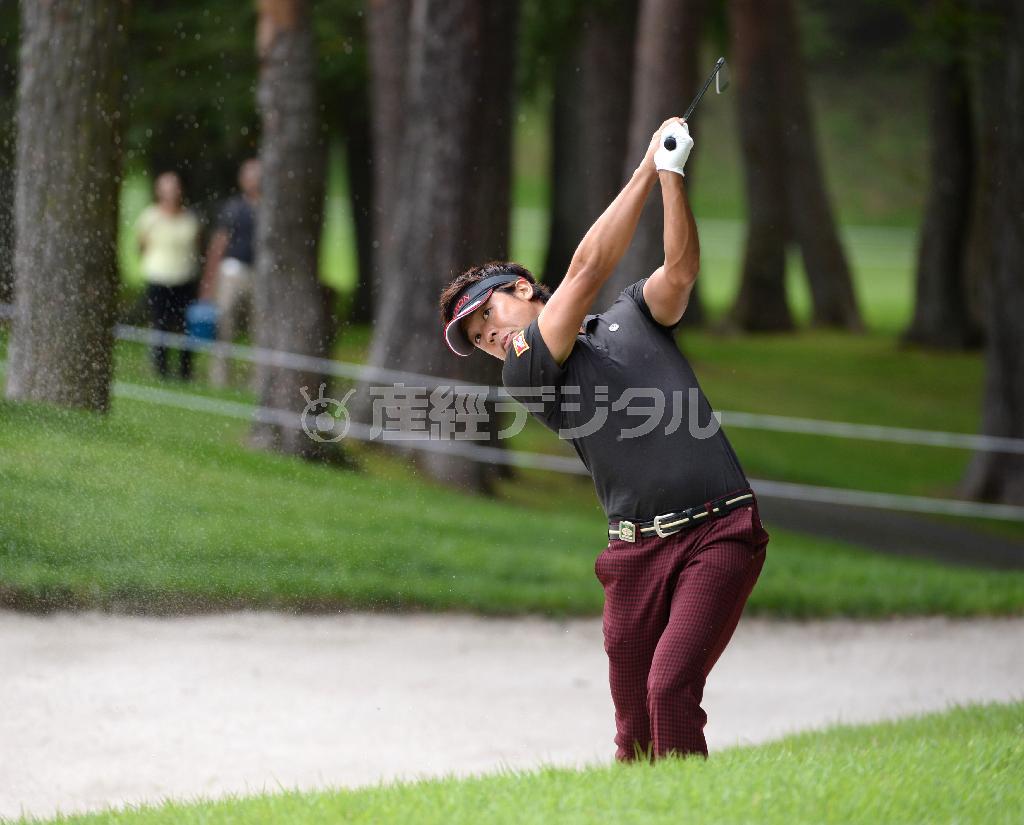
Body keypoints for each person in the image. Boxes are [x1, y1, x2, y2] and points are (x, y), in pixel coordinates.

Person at [437, 117, 769, 763]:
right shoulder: (526, 367)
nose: (487, 338)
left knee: (670, 685)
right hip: (633, 556)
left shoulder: (634, 314)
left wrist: (672, 175)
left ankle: (686, 810)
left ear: (523, 289)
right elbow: (586, 268)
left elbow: (680, 268)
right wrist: (647, 164)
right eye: (476, 338)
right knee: (633, 728)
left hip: (719, 531)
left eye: (487, 317)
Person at [199, 158, 260, 389]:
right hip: (233, 273)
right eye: (251, 175)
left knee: (260, 331)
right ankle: (220, 379)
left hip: (261, 276)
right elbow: (219, 244)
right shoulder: (233, 208)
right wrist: (208, 282)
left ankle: (258, 381)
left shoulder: (270, 209)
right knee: (224, 326)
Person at [135, 171, 201, 380]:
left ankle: (184, 370)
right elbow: (141, 245)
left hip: (185, 278)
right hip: (158, 277)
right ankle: (161, 369)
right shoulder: (150, 217)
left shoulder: (190, 218)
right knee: (160, 323)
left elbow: (197, 247)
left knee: (185, 325)